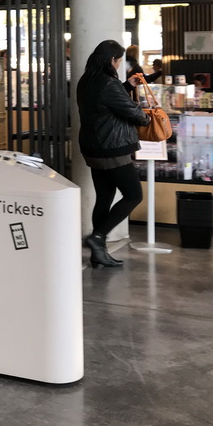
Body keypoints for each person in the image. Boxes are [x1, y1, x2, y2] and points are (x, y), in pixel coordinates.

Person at [76, 39, 149, 268]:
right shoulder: (108, 83)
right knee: (133, 195)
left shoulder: (86, 80)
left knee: (104, 198)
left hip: (93, 148)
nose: (119, 65)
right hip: (112, 149)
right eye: (119, 60)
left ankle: (99, 253)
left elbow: (104, 102)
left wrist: (126, 85)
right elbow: (133, 112)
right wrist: (146, 116)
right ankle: (97, 238)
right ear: (112, 60)